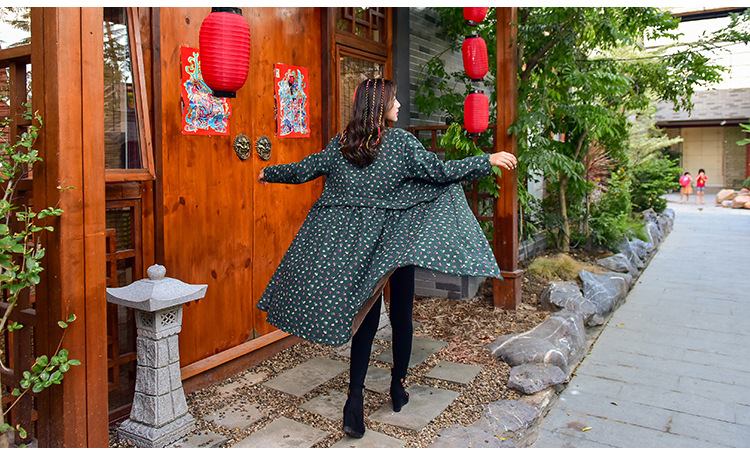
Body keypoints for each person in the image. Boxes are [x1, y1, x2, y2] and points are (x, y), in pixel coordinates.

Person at [256, 78, 515, 438]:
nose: (400, 105)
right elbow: (439, 173)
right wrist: (486, 160)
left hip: (358, 247)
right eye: (394, 100)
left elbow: (303, 169)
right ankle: (398, 387)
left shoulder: (341, 145)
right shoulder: (401, 143)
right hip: (397, 242)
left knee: (366, 318)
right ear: (380, 105)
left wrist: (268, 172)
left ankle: (354, 400)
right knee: (402, 315)